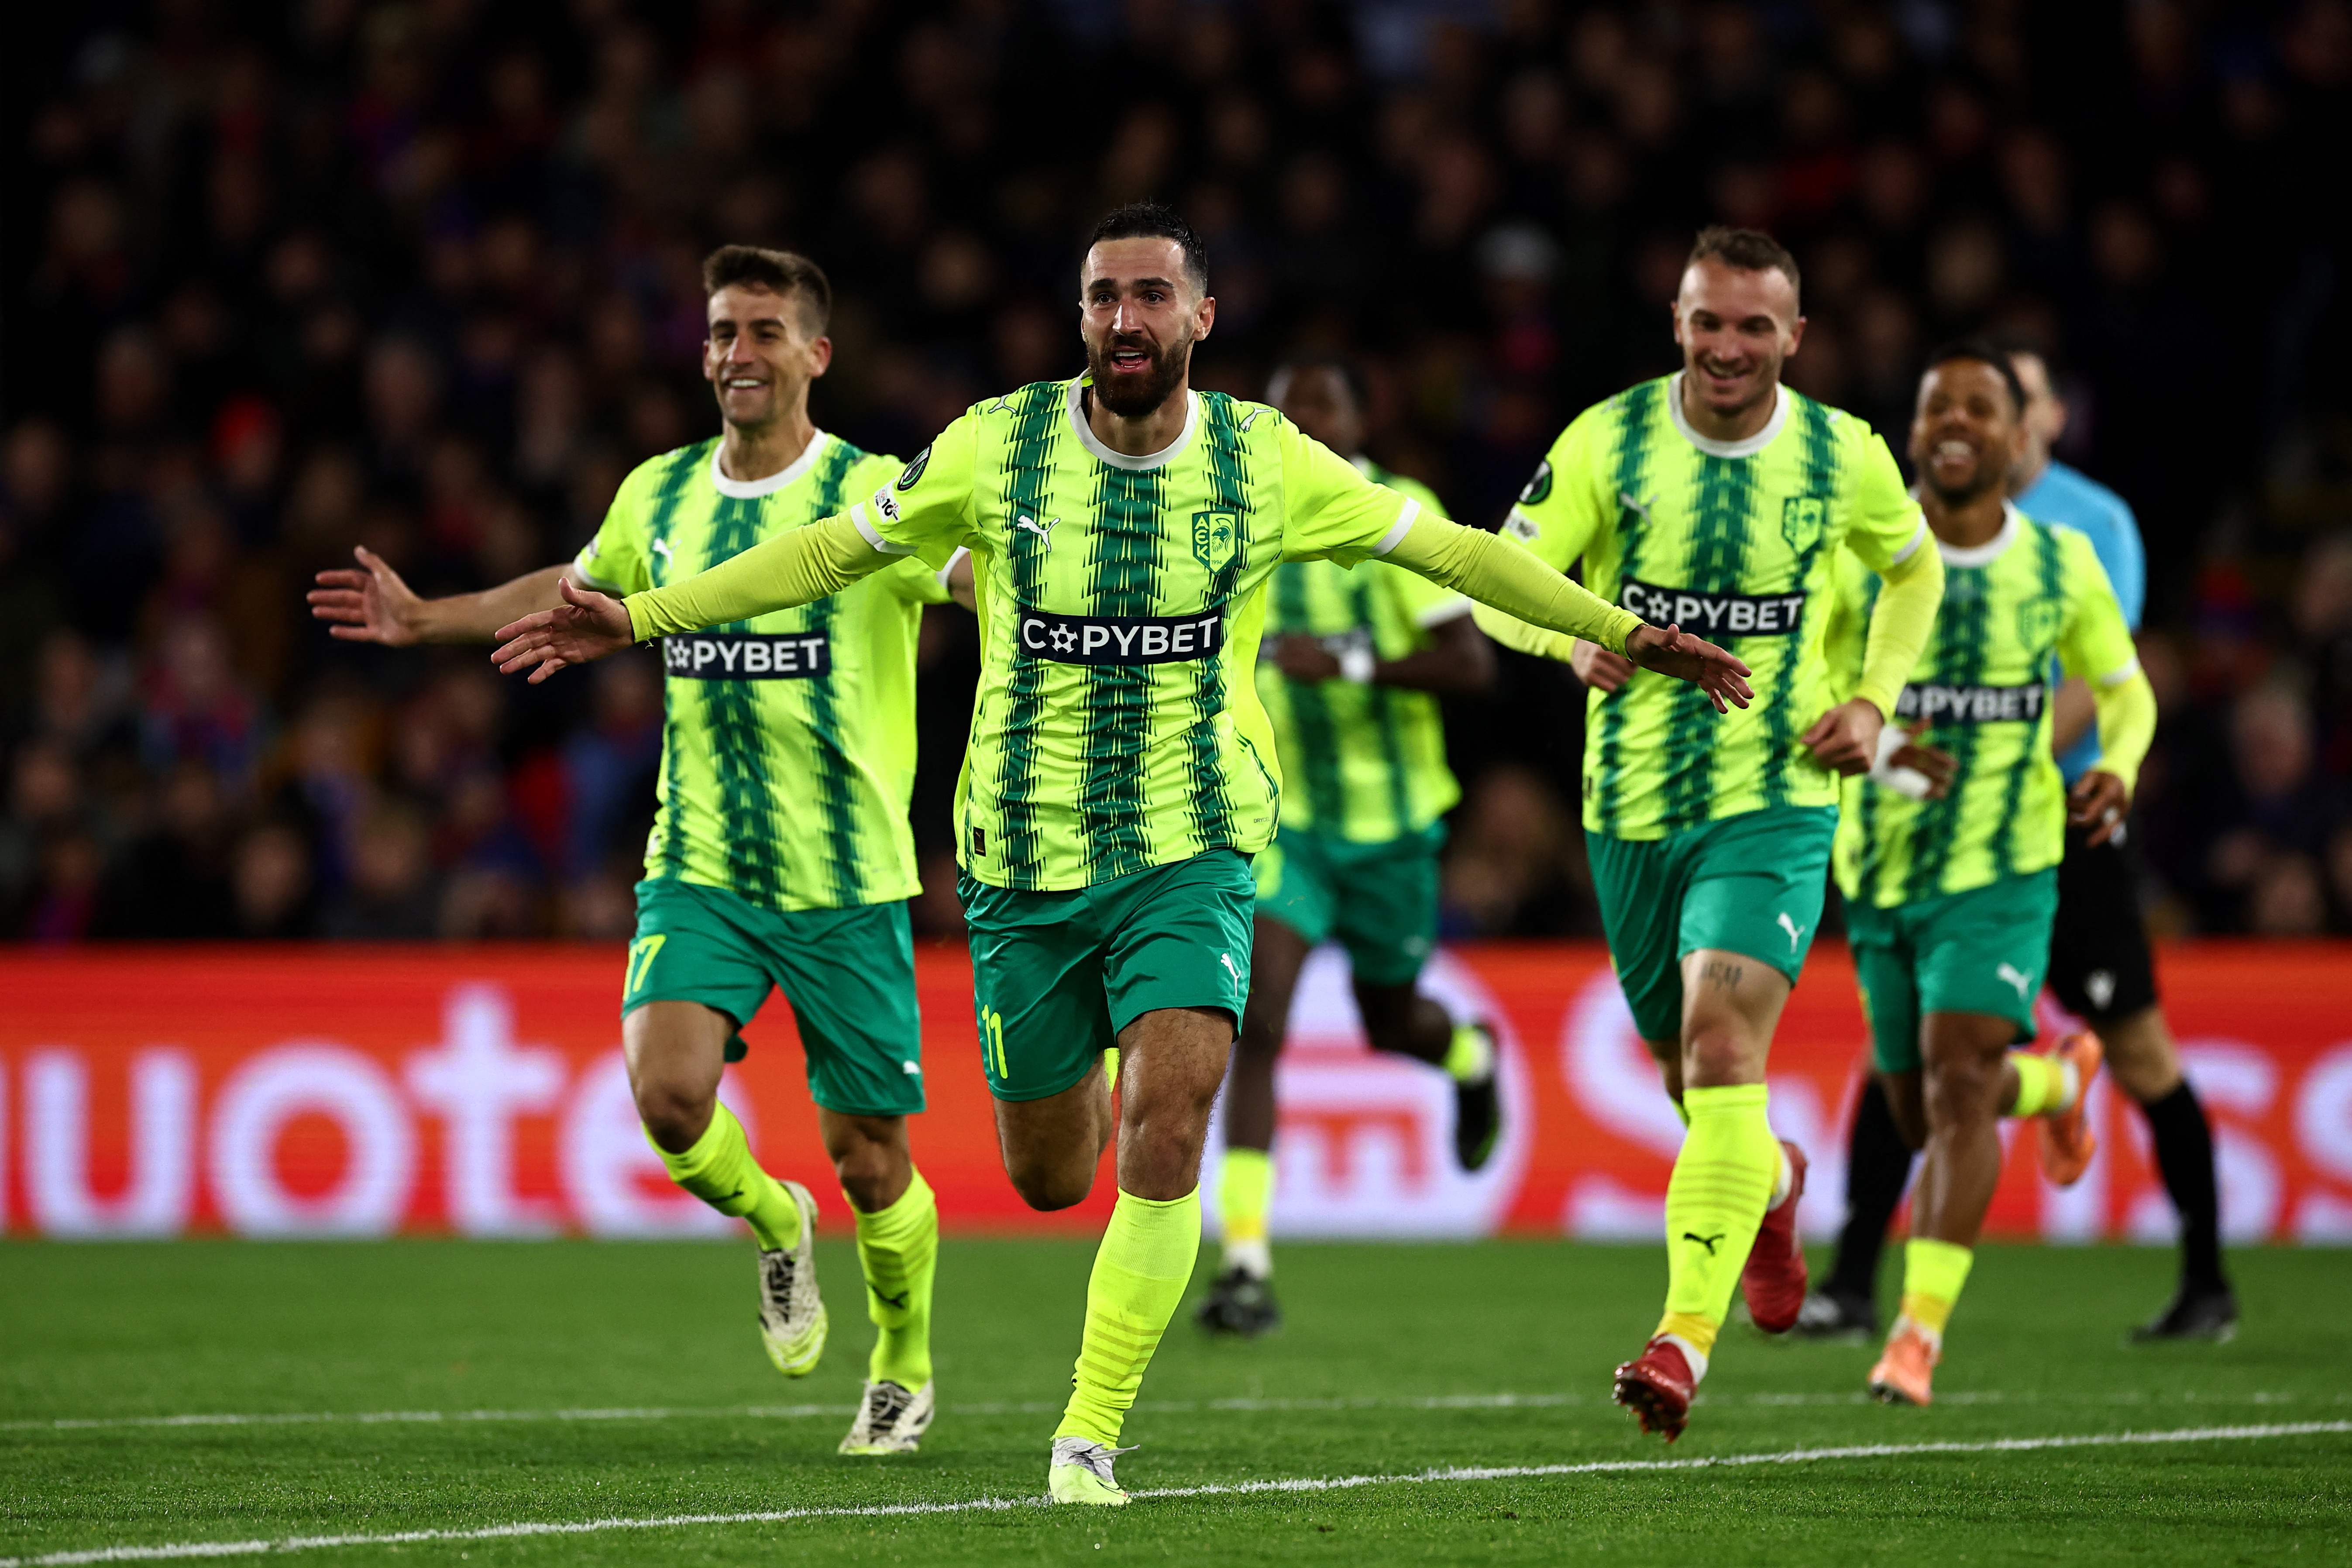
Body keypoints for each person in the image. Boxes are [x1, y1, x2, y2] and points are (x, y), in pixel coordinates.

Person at [484, 203, 1752, 1503]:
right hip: (1023, 867)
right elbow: (820, 552)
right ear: (1079, 315)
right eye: (1103, 298)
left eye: (1151, 297)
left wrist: (1628, 632)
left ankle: (1085, 1438)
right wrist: (640, 615)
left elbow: (1457, 553)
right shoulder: (995, 445)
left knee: (1169, 1121)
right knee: (1050, 1174)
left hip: (1192, 849)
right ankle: (1086, 1057)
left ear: (1200, 317)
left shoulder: (1268, 462)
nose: (1124, 320)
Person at [308, 246, 948, 1455]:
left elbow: (977, 577)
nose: (736, 353)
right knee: (665, 1098)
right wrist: (428, 617)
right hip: (701, 862)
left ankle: (904, 1364)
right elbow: (576, 584)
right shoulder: (656, 494)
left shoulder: (880, 494)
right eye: (720, 331)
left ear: (816, 354)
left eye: (763, 331)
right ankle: (773, 1223)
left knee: (874, 1164)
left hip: (848, 881)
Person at [1479, 226, 1947, 1442]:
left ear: (1794, 337)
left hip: (1776, 800)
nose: (1727, 346)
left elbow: (1914, 575)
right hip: (1629, 809)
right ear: (1676, 322)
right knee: (1695, 1083)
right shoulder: (1607, 439)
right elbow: (1506, 566)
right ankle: (1777, 1184)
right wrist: (1560, 639)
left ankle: (1679, 1342)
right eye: (1707, 321)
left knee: (1720, 1045)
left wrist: (1872, 702)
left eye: (1753, 326)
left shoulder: (1843, 454)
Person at [1799, 345, 2236, 1345]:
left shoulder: (2091, 526)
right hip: (1907, 828)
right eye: (1948, 403)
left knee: (2139, 1047)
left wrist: (2011, 769)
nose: (1983, 420)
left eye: (2013, 400)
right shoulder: (1884, 524)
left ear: (2039, 418)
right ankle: (1858, 1281)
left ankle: (2207, 1276)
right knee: (1904, 1056)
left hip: (2054, 827)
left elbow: (2102, 669)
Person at [1197, 359, 1501, 1339]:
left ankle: (1464, 1054)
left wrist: (1354, 661)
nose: (1309, 427)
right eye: (1293, 414)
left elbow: (1472, 664)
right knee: (1259, 1022)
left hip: (1394, 831)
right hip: (1288, 832)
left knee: (1387, 1019)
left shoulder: (1400, 512)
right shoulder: (1246, 522)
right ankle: (1245, 1262)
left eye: (1327, 408)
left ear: (1365, 423)